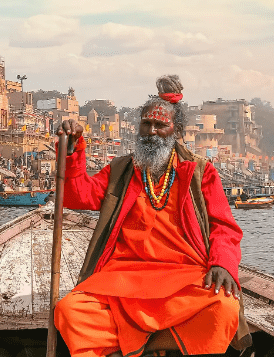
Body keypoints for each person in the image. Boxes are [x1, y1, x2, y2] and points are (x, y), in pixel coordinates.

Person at [53, 75, 250, 357]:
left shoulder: (199, 172)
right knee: (70, 311)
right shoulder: (121, 170)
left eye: (161, 125)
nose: (152, 131)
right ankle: (159, 342)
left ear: (176, 130)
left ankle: (139, 346)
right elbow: (77, 196)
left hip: (183, 277)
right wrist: (72, 150)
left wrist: (223, 264)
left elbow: (224, 227)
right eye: (147, 124)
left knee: (225, 308)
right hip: (122, 278)